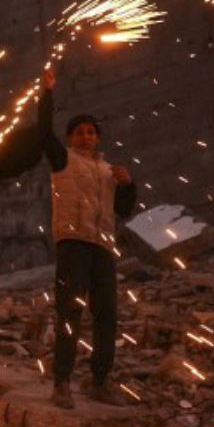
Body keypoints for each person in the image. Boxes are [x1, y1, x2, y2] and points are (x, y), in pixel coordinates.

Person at [39, 66, 137, 406]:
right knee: (70, 313)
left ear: (98, 137)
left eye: (91, 133)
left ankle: (99, 381)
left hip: (103, 248)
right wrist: (47, 93)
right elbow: (42, 132)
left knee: (106, 315)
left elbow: (124, 210)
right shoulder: (63, 160)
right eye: (79, 133)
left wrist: (129, 184)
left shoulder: (110, 171)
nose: (86, 137)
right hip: (73, 243)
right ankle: (62, 383)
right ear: (70, 139)